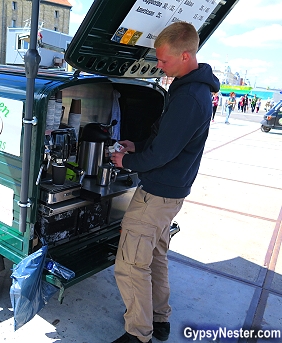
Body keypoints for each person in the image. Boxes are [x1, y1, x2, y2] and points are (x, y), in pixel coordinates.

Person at [110, 22, 220, 343]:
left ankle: (138, 333)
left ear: (185, 56)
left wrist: (127, 160)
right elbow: (166, 140)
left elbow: (163, 153)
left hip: (157, 194)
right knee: (155, 256)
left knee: (130, 264)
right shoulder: (190, 88)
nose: (159, 66)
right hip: (172, 192)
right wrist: (137, 146)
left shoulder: (189, 98)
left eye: (164, 61)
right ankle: (159, 320)